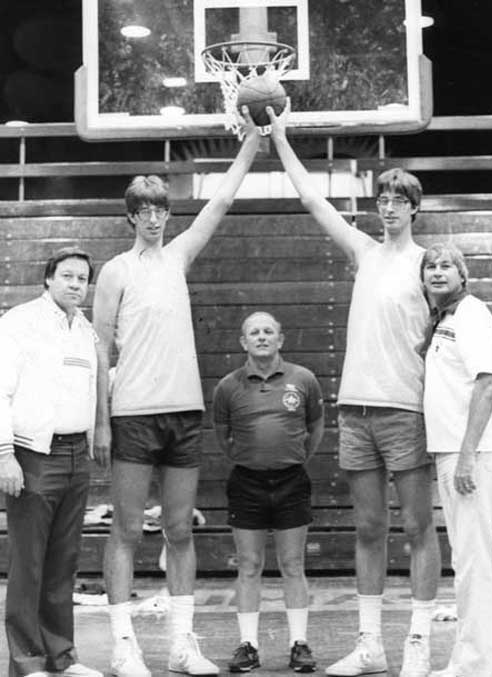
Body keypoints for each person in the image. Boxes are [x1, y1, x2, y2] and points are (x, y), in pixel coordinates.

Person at [266, 102, 441, 677]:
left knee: (417, 527)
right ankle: (371, 644)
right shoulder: (363, 253)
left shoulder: (427, 267)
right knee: (369, 528)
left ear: (414, 208)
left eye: (398, 201)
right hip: (357, 412)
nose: (388, 208)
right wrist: (281, 138)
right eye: (382, 201)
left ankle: (417, 641)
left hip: (407, 413)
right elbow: (313, 199)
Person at [92, 112, 260, 677]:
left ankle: (182, 644)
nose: (154, 219)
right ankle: (123, 645)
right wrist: (100, 422)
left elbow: (221, 203)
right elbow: (98, 352)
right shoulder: (115, 272)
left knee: (182, 529)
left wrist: (253, 145)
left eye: (161, 210)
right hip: (133, 414)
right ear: (131, 216)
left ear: (168, 214)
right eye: (143, 211)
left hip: (184, 412)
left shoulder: (180, 255)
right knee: (125, 530)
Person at [0, 248, 102, 677]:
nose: (76, 284)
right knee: (30, 562)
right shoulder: (18, 322)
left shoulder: (85, 329)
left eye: (82, 278)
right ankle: (27, 661)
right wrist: (5, 454)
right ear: (48, 279)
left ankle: (62, 656)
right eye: (67, 276)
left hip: (77, 454)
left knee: (64, 560)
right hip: (31, 454)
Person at [212, 311, 324, 673]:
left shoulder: (303, 379)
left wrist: (293, 457)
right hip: (247, 482)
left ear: (281, 338)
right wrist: (250, 458)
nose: (261, 337)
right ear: (243, 342)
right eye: (253, 332)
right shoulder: (228, 386)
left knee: (293, 564)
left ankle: (299, 644)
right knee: (249, 564)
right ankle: (248, 645)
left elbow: (315, 426)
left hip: (292, 480)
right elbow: (222, 434)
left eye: (268, 331)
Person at [421, 243, 492, 677]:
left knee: (474, 561)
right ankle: (479, 660)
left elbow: (488, 383)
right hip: (452, 450)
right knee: (469, 559)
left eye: (446, 266)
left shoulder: (472, 315)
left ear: (463, 275)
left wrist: (468, 454)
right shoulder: (446, 320)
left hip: (471, 454)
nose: (437, 272)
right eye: (430, 266)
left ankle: (477, 666)